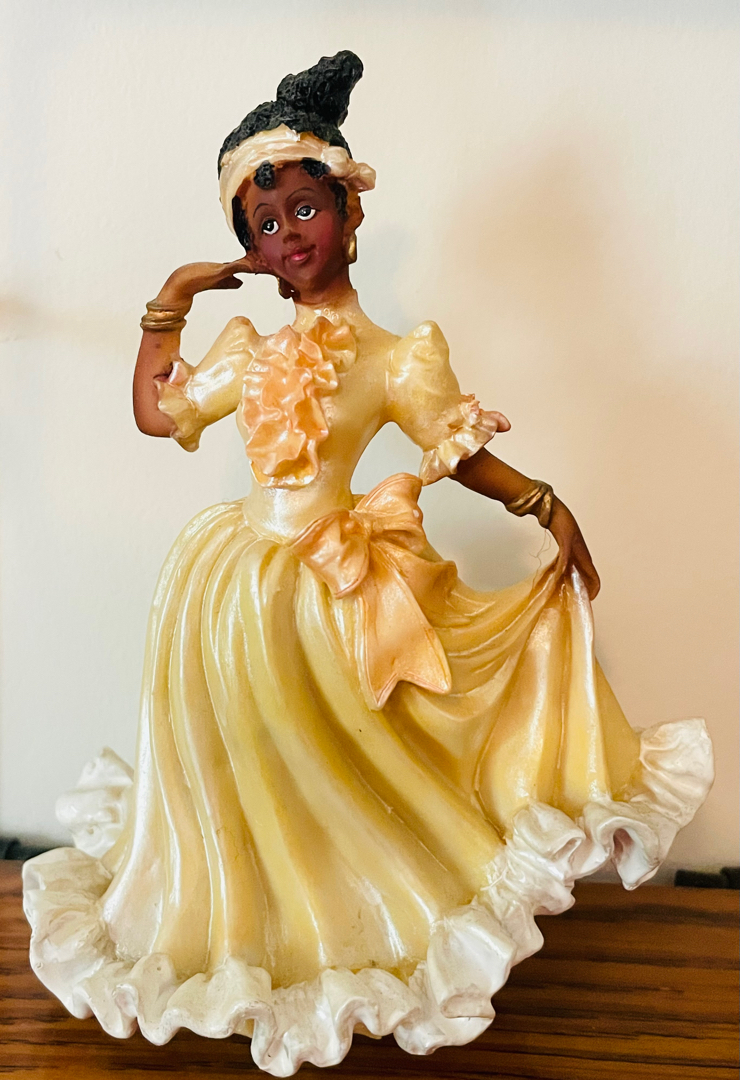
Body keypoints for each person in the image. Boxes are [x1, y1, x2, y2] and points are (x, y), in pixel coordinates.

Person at [23, 51, 713, 1077]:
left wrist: (541, 501)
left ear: (349, 212)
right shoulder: (251, 349)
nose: (287, 235)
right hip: (227, 584)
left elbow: (454, 447)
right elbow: (160, 413)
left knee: (353, 755)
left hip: (330, 583)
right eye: (264, 225)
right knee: (236, 754)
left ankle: (354, 916)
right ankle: (250, 914)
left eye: (304, 209)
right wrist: (168, 305)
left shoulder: (396, 356)